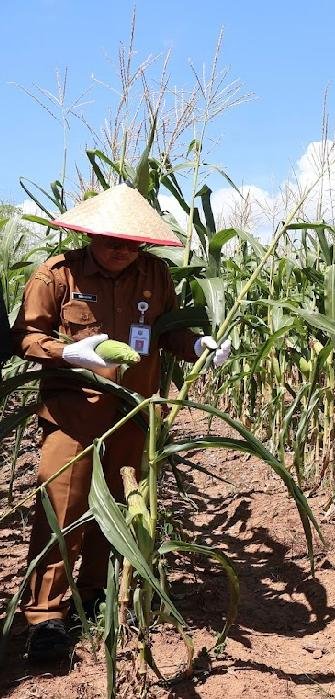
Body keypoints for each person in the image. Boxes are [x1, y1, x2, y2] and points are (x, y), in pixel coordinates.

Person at [12, 184, 231, 662]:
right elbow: (26, 337)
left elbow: (168, 331)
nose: (120, 249)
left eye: (131, 242)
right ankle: (45, 617)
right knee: (60, 511)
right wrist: (67, 352)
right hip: (74, 415)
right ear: (91, 235)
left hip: (134, 412)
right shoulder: (56, 275)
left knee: (117, 508)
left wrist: (197, 346)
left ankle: (91, 597)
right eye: (111, 240)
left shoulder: (154, 275)